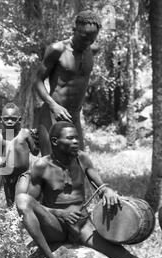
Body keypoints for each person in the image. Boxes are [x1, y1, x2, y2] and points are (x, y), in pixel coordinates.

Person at [15, 121, 161, 258]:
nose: (76, 141)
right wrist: (60, 213)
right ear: (55, 141)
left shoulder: (82, 159)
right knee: (22, 200)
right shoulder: (41, 166)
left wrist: (108, 191)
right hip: (56, 227)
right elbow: (33, 204)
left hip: (84, 226)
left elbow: (101, 187)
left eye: (77, 137)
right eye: (70, 138)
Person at [34, 10, 101, 155]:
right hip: (53, 116)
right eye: (84, 38)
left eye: (92, 40)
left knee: (78, 166)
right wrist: (53, 105)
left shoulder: (93, 50)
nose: (87, 43)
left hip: (74, 117)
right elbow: (37, 81)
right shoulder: (57, 50)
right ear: (74, 30)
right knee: (51, 169)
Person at [0, 103, 39, 207]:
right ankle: (14, 223)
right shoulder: (0, 137)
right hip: (7, 176)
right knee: (10, 205)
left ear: (19, 120)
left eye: (13, 119)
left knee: (20, 200)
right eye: (6, 119)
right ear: (1, 120)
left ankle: (24, 219)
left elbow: (35, 152)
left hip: (23, 175)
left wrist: (37, 140)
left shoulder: (25, 134)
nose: (9, 122)